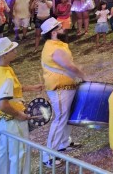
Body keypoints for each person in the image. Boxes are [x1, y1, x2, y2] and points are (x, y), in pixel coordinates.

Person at [0, 37, 43, 174]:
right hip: (11, 122)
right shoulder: (6, 77)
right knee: (19, 155)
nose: (15, 52)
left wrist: (31, 88)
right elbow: (4, 105)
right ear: (4, 54)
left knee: (2, 156)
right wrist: (19, 114)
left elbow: (7, 91)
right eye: (12, 50)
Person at [40, 17, 87, 167]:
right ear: (53, 32)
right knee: (60, 119)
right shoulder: (54, 48)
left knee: (65, 117)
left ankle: (63, 143)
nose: (63, 29)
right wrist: (84, 76)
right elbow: (70, 66)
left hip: (64, 87)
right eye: (60, 28)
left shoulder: (55, 44)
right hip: (59, 88)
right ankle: (48, 156)